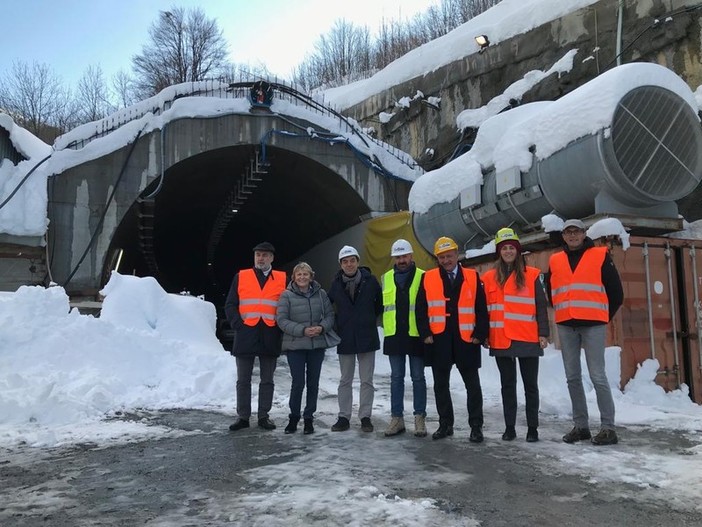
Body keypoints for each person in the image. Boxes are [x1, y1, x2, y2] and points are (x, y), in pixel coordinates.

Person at [546, 219, 624, 446]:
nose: (572, 236)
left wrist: (601, 317)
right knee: (572, 378)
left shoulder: (599, 255)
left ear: (583, 233)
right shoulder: (555, 260)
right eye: (568, 233)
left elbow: (616, 293)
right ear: (563, 236)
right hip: (566, 324)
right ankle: (581, 427)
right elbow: (551, 291)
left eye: (576, 232)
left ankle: (608, 428)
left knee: (598, 376)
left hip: (593, 325)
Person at [416, 236, 489, 442]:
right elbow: (421, 309)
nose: (446, 260)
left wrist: (480, 334)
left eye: (449, 256)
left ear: (457, 255)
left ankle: (476, 426)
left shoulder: (472, 277)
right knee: (440, 385)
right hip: (439, 340)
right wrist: (425, 333)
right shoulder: (428, 278)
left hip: (466, 340)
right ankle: (445, 424)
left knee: (472, 386)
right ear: (437, 259)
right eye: (442, 257)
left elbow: (481, 308)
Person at [482, 228, 549, 443]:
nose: (508, 251)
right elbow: (484, 309)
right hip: (501, 339)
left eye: (512, 248)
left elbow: (541, 306)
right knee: (507, 386)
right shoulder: (489, 278)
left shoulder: (532, 275)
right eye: (504, 248)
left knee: (531, 386)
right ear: (499, 252)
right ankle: (509, 427)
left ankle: (532, 429)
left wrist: (543, 333)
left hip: (528, 338)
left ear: (518, 251)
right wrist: (485, 334)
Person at [224, 241, 286, 432]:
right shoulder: (241, 276)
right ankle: (243, 417)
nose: (261, 258)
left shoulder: (282, 278)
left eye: (265, 255)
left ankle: (263, 416)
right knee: (243, 379)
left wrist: (280, 327)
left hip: (270, 334)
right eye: (258, 254)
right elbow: (230, 304)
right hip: (246, 334)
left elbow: (288, 306)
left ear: (272, 258)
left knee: (267, 380)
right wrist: (238, 325)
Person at [276, 262, 336, 435]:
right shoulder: (286, 296)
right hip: (295, 346)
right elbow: (282, 320)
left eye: (305, 274)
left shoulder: (321, 294)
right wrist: (302, 330)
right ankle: (294, 417)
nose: (302, 277)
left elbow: (330, 315)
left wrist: (321, 328)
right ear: (294, 277)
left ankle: (309, 417)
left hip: (316, 345)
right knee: (298, 383)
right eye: (299, 274)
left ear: (311, 276)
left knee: (313, 383)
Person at [328, 245, 383, 433]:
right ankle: (344, 417)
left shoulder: (371, 281)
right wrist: (338, 325)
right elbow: (328, 308)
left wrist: (367, 320)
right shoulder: (335, 284)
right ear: (340, 264)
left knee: (366, 379)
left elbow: (379, 305)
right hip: (345, 338)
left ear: (358, 262)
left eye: (352, 260)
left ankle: (365, 417)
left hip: (367, 336)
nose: (349, 264)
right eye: (345, 261)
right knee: (345, 380)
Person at [381, 239, 427, 437]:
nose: (401, 260)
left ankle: (419, 418)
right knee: (396, 378)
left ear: (411, 256)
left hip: (416, 335)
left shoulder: (423, 277)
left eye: (404, 256)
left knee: (418, 378)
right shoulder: (386, 278)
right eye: (398, 257)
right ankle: (397, 418)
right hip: (394, 336)